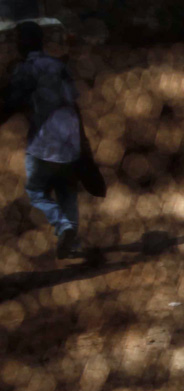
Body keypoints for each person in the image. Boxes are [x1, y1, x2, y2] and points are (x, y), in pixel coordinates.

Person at [0, 21, 86, 259]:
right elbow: (73, 100)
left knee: (36, 191)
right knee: (67, 190)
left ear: (22, 44)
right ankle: (71, 240)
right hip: (70, 139)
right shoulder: (58, 66)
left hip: (43, 142)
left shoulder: (25, 69)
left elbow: (12, 102)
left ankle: (62, 225)